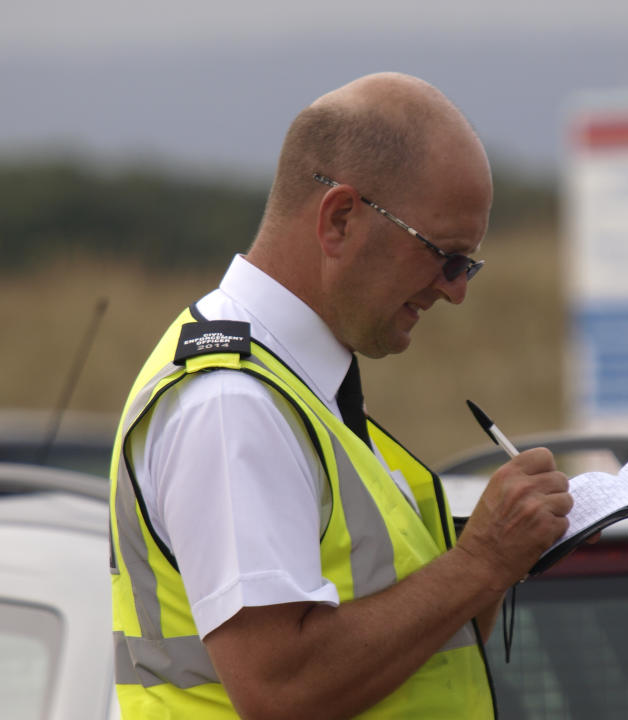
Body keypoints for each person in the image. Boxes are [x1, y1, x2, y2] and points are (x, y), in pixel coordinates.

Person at [109, 72, 573, 719]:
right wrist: (481, 561)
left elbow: (401, 654)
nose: (455, 290)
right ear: (341, 219)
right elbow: (282, 690)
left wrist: (489, 571)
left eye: (468, 265)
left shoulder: (298, 390)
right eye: (445, 256)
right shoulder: (231, 403)